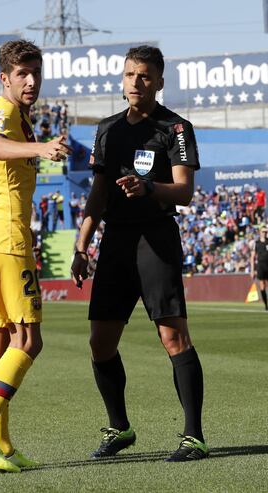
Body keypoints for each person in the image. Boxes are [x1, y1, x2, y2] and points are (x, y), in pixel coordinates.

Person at [71, 45, 208, 462]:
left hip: (156, 237)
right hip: (115, 241)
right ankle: (120, 427)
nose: (136, 82)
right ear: (123, 78)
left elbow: (184, 191)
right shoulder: (107, 129)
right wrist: (82, 243)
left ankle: (193, 436)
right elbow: (98, 194)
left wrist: (148, 188)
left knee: (173, 336)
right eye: (130, 74)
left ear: (159, 82)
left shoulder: (176, 129)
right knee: (100, 343)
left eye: (145, 75)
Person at [0, 39, 72, 473]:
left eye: (35, 72)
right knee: (28, 340)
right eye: (22, 74)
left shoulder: (4, 116)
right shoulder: (4, 115)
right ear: (5, 78)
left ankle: (0, 444)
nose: (31, 81)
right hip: (6, 240)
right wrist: (40, 149)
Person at [250, 225, 268, 310]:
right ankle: (266, 304)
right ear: (260, 232)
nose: (264, 233)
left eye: (266, 232)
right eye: (263, 231)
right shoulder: (256, 243)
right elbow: (252, 257)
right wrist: (252, 270)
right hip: (261, 266)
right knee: (262, 285)